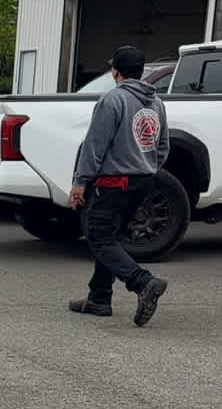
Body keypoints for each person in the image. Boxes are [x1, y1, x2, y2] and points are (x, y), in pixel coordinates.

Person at [68, 45, 171, 326]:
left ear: (116, 71)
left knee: (99, 237)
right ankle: (99, 298)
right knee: (111, 238)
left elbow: (94, 145)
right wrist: (147, 168)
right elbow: (162, 147)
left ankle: (143, 283)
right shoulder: (157, 103)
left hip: (115, 180)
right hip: (144, 181)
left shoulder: (112, 100)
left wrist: (80, 182)